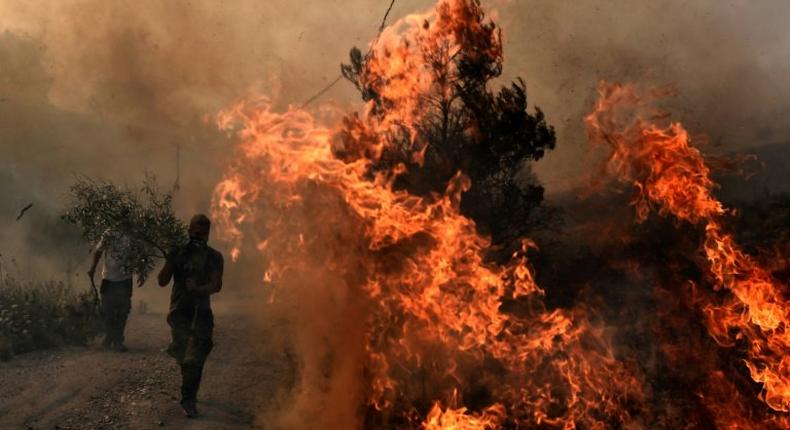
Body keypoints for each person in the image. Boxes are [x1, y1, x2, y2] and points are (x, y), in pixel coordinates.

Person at [158, 214, 224, 418]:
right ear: (188, 231)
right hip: (179, 313)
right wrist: (170, 260)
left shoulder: (214, 257)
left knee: (195, 358)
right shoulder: (179, 252)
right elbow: (162, 281)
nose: (199, 237)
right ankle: (187, 376)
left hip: (202, 314)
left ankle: (189, 399)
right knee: (183, 354)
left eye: (203, 234)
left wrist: (198, 288)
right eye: (195, 233)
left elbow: (216, 285)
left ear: (208, 235)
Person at [88, 230, 139, 352]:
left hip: (125, 278)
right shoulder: (108, 233)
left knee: (123, 311)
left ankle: (118, 340)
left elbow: (139, 253)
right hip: (109, 278)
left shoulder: (132, 233)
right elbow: (99, 251)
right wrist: (93, 268)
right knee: (107, 310)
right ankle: (110, 336)